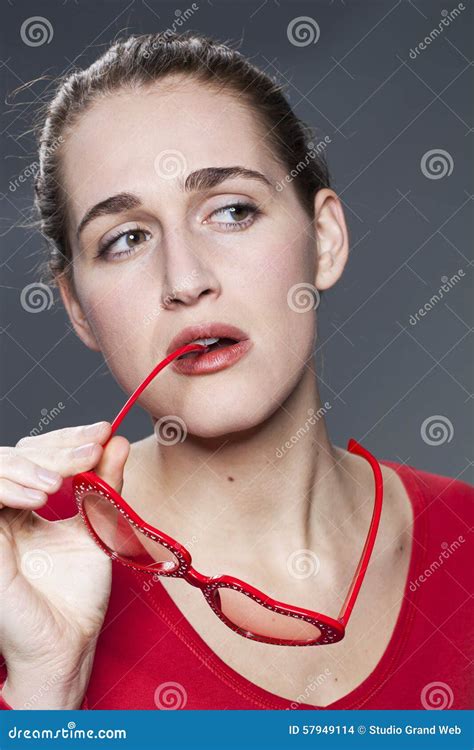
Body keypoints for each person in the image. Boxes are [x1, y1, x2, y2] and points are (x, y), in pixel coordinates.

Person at [0, 31, 472, 711]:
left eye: (231, 211)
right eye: (127, 239)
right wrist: (45, 688)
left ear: (326, 241)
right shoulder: (21, 566)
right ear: (77, 308)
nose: (185, 280)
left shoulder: (464, 540)